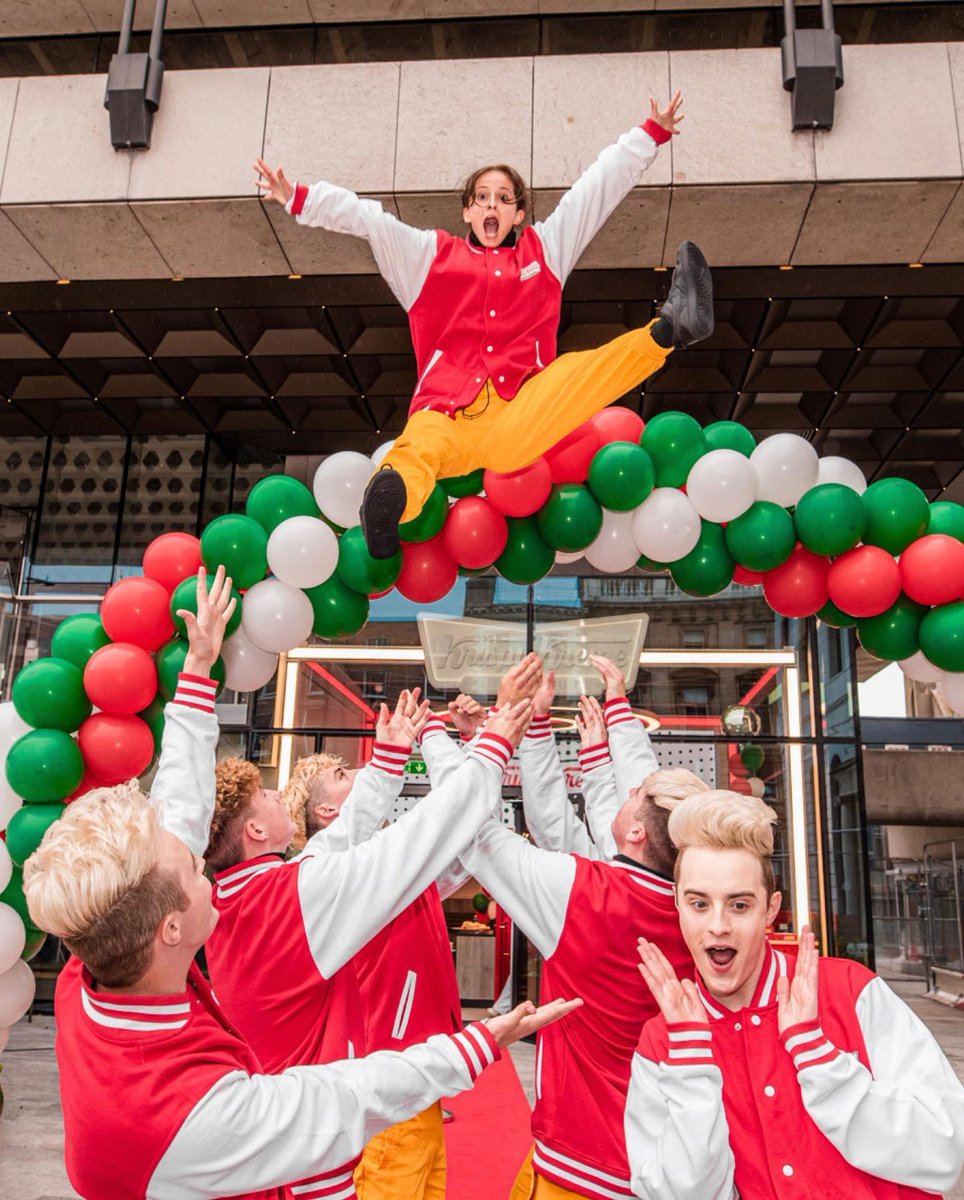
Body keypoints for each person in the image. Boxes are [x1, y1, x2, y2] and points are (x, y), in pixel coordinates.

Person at [254, 92, 714, 558]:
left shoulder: (544, 251)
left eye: (504, 198)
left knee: (576, 375)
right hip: (447, 414)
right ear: (468, 211)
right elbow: (368, 219)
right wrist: (300, 199)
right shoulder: (428, 257)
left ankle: (671, 328)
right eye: (482, 197)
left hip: (521, 411)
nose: (492, 205)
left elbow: (595, 189)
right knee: (417, 447)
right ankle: (390, 507)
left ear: (518, 214)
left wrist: (649, 135)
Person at [627, 790, 964, 1200]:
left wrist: (817, 1056)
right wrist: (693, 1065)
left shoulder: (851, 992)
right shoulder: (662, 1043)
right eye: (699, 904)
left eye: (739, 905)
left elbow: (943, 1151)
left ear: (770, 910)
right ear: (677, 906)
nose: (718, 925)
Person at [282, 739, 467, 1200]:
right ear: (327, 810)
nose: (361, 773)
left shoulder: (387, 862)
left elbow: (460, 842)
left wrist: (465, 745)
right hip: (385, 1079)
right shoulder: (338, 876)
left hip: (420, 1071)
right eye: (343, 776)